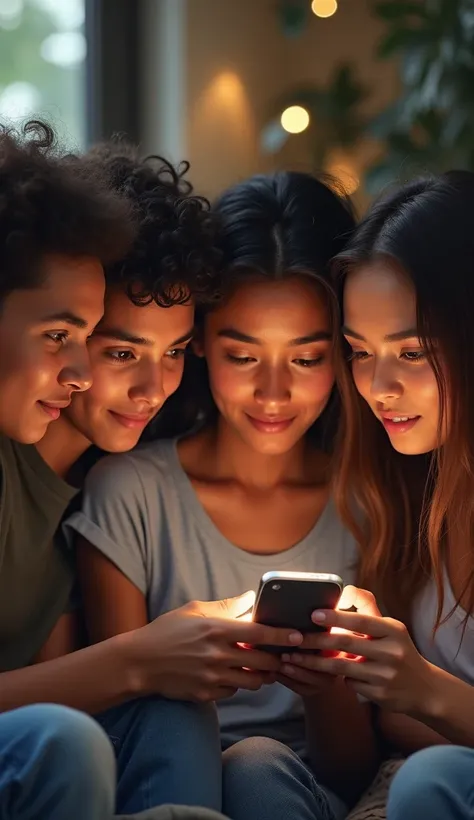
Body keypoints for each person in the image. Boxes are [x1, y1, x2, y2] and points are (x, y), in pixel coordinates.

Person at [65, 171, 379, 819]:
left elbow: (354, 769)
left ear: (343, 356)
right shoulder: (131, 494)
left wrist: (326, 690)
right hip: (169, 781)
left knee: (259, 769)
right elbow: (133, 718)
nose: (272, 394)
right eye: (243, 357)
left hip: (301, 793)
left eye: (307, 358)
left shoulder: (367, 506)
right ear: (201, 343)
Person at [277, 171, 474, 820]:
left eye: (412, 352)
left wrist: (429, 695)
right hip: (410, 784)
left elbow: (421, 728)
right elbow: (367, 752)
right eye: (360, 352)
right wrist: (333, 683)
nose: (378, 386)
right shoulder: (408, 489)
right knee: (256, 769)